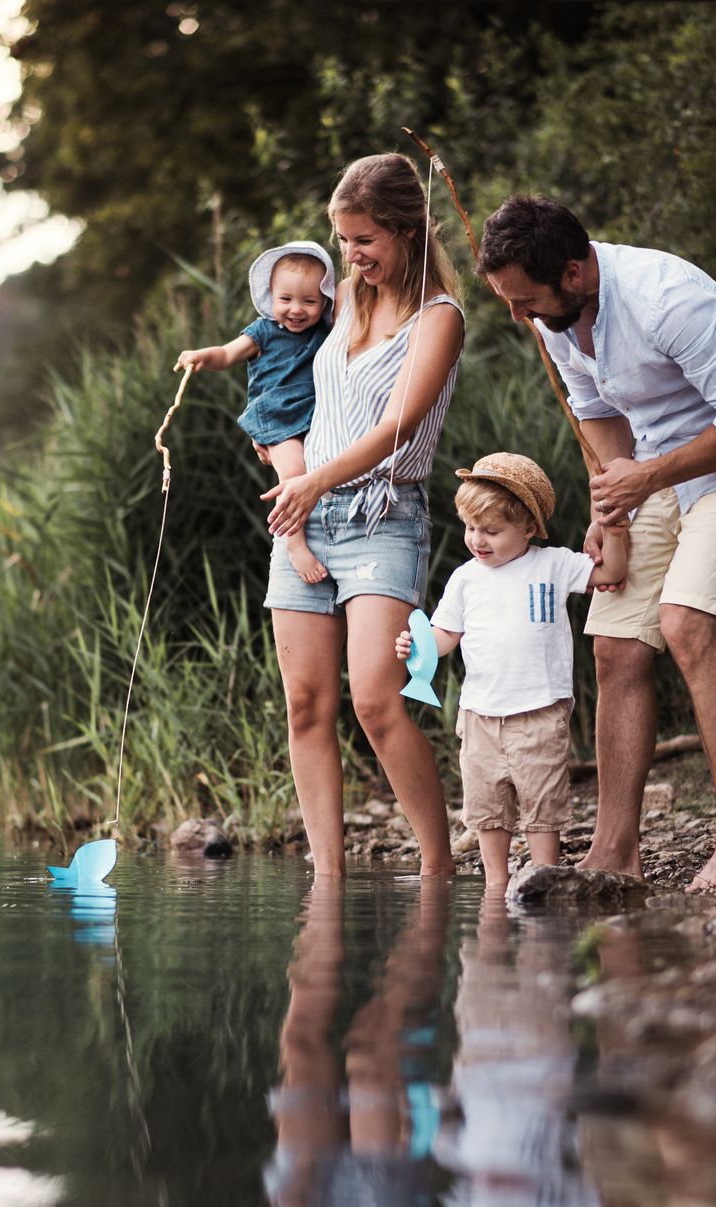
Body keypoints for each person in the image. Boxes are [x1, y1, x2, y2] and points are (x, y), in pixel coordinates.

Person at [477, 195, 716, 892]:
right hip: (655, 472)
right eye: (508, 301)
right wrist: (611, 503)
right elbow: (597, 415)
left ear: (572, 273)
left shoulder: (667, 297)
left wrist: (645, 475)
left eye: (525, 300)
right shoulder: (554, 320)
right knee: (616, 644)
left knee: (684, 626)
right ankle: (615, 852)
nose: (518, 316)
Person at [261, 152, 466, 877]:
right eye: (345, 241)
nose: (350, 256)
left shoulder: (441, 318)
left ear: (407, 231)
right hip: (305, 517)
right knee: (305, 705)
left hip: (385, 516)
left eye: (365, 240)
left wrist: (313, 481)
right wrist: (292, 474)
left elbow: (398, 430)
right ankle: (328, 877)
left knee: (378, 700)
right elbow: (277, 386)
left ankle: (439, 867)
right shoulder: (342, 296)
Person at [393, 452, 629, 891]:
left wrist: (613, 530)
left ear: (528, 528)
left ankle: (543, 879)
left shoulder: (552, 563)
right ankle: (495, 887)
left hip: (540, 710)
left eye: (492, 531)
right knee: (487, 808)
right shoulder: (466, 578)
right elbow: (445, 635)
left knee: (542, 804)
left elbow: (612, 570)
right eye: (470, 528)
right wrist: (416, 645)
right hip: (481, 715)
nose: (477, 540)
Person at [176, 241, 338, 583]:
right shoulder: (264, 330)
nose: (296, 309)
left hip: (315, 416)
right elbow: (227, 353)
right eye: (286, 300)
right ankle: (294, 544)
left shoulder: (326, 333)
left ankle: (326, 531)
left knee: (322, 469)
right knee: (294, 472)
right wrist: (203, 356)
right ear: (270, 296)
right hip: (277, 417)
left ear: (324, 299)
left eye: (309, 301)